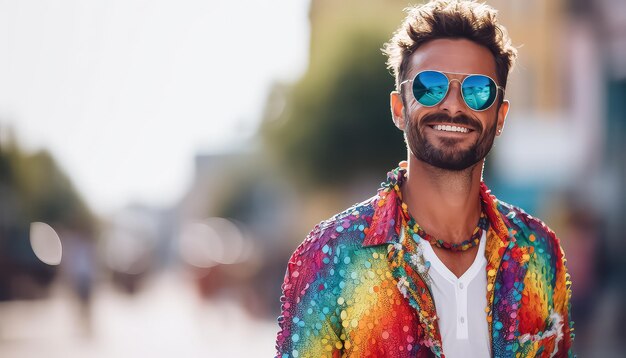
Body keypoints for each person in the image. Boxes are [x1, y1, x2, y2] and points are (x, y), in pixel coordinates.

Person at [275, 1, 574, 357]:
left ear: (500, 115)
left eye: (478, 90)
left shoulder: (539, 252)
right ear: (399, 108)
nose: (453, 105)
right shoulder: (333, 256)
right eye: (429, 86)